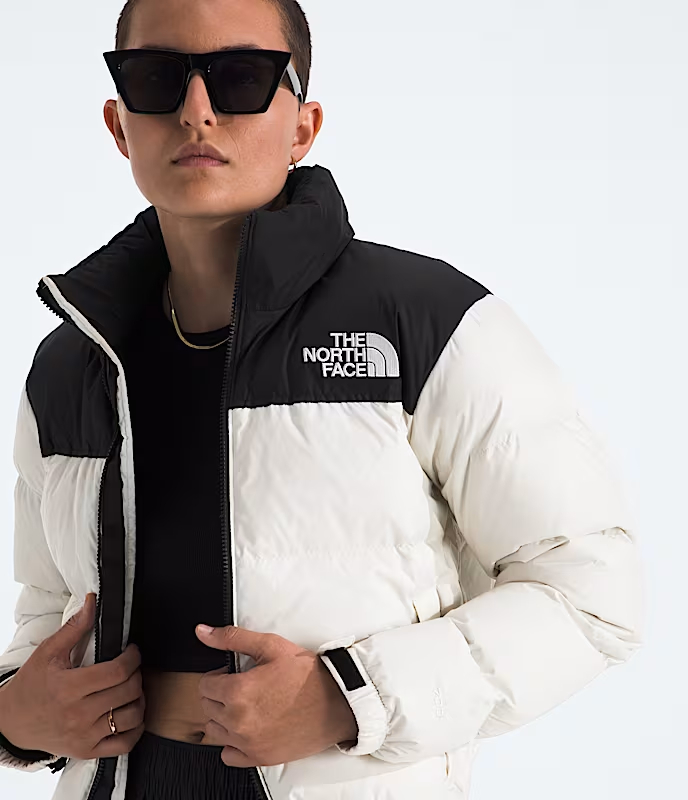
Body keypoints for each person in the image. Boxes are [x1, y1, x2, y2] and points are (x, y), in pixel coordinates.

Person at [0, 0, 645, 799]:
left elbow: (592, 593)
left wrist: (350, 698)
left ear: (302, 127)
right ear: (119, 124)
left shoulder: (428, 321)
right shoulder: (71, 363)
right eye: (158, 78)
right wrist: (15, 715)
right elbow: (52, 608)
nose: (196, 111)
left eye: (240, 78)